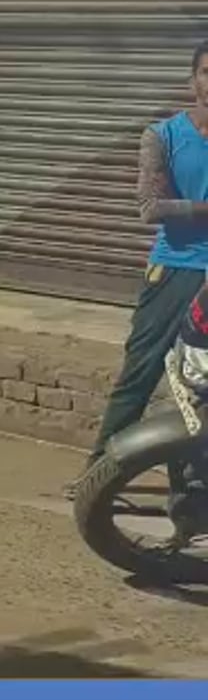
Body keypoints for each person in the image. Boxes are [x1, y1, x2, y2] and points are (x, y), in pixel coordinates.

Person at [81, 41, 208, 495]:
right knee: (141, 372)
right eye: (207, 72)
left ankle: (191, 487)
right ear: (193, 79)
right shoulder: (164, 135)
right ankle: (97, 477)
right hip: (175, 271)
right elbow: (150, 207)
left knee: (200, 387)